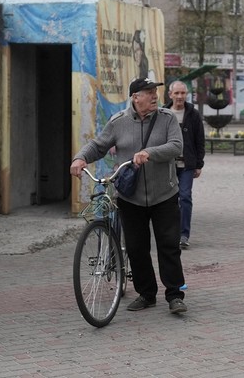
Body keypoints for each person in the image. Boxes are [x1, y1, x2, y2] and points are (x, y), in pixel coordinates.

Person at [70, 77, 188, 314]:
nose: (154, 96)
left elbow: (177, 146)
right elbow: (98, 145)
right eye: (148, 92)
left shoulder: (167, 119)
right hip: (130, 197)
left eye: (155, 92)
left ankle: (175, 295)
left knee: (168, 246)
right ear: (135, 98)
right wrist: (80, 158)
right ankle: (146, 294)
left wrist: (149, 152)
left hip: (164, 194)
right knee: (136, 248)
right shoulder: (118, 122)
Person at [165, 80, 205, 249]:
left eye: (183, 93)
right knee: (168, 200)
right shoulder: (163, 114)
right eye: (177, 93)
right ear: (170, 95)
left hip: (187, 165)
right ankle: (169, 233)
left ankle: (183, 234)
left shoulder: (193, 114)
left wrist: (199, 164)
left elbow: (199, 140)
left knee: (185, 197)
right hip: (167, 166)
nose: (180, 97)